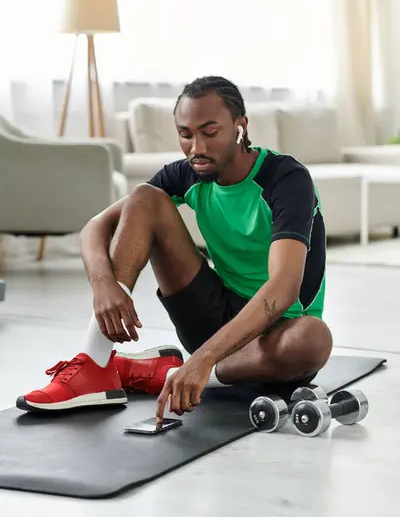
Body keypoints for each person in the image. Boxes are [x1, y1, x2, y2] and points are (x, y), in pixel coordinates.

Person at [17, 76, 333, 422]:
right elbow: (95, 226)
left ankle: (171, 375)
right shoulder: (188, 174)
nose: (197, 147)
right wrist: (103, 284)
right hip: (213, 316)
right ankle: (95, 363)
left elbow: (284, 288)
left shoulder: (285, 178)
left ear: (240, 127)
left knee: (313, 339)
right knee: (145, 198)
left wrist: (202, 359)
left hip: (272, 340)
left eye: (209, 133)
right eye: (186, 134)